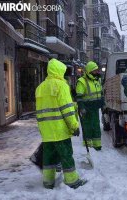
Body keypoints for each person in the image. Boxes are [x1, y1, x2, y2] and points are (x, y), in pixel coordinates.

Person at [35, 58, 87, 189]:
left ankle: (48, 182)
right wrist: (74, 126)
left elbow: (39, 111)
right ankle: (72, 181)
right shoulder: (61, 85)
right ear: (59, 71)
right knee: (66, 155)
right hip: (60, 130)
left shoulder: (40, 88)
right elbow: (67, 109)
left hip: (46, 131)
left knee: (49, 158)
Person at [75, 61, 103, 151]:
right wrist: (81, 107)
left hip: (95, 108)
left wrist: (103, 103)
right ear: (89, 71)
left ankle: (97, 144)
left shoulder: (97, 80)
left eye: (97, 70)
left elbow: (100, 93)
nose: (97, 72)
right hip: (86, 108)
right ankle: (88, 145)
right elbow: (79, 97)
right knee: (87, 126)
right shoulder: (82, 81)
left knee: (96, 126)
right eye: (94, 70)